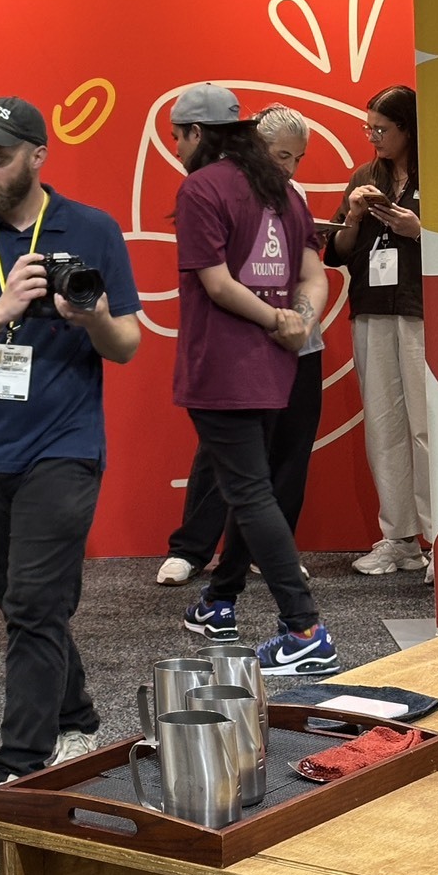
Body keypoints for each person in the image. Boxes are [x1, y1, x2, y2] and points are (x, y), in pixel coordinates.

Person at [0, 96, 142, 789]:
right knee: (20, 601)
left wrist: (91, 317)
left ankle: (18, 770)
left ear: (37, 156)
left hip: (63, 445)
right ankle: (76, 712)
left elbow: (127, 344)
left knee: (35, 604)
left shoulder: (92, 228)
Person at [171, 84, 339, 676]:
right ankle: (219, 603)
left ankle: (305, 629)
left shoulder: (201, 188)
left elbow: (217, 284)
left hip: (224, 365)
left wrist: (277, 319)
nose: (177, 149)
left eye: (178, 137)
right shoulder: (283, 193)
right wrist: (297, 322)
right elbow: (313, 276)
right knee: (252, 485)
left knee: (249, 491)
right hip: (276, 364)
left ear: (197, 134)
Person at [156, 105, 324, 586]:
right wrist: (275, 319)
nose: (289, 167)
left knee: (287, 454)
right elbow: (217, 282)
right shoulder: (211, 190)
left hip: (297, 344)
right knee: (225, 457)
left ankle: (268, 560)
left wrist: (299, 322)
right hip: (239, 347)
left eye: (297, 158)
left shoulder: (292, 196)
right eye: (282, 155)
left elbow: (313, 274)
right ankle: (192, 550)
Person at [323, 86, 430, 579]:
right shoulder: (365, 177)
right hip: (371, 308)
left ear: (408, 127)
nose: (374, 137)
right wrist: (353, 214)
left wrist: (418, 230)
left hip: (424, 311)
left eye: (382, 129)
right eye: (369, 129)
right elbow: (339, 251)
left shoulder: (437, 173)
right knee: (384, 426)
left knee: (428, 426)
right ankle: (400, 539)